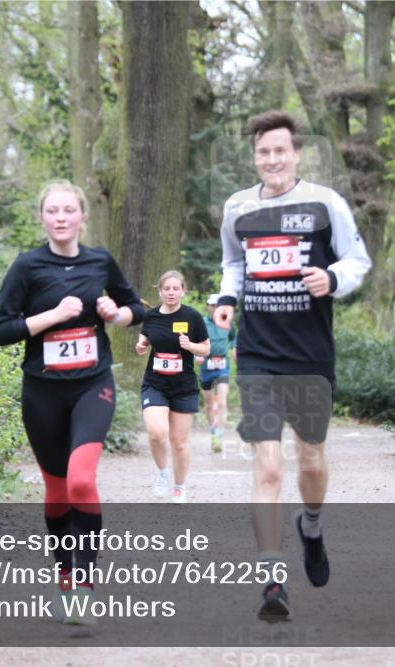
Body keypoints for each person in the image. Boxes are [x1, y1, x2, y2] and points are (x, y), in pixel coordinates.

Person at [213, 111, 371, 621]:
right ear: (254, 157)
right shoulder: (238, 206)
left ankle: (313, 525)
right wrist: (226, 299)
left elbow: (357, 260)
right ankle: (271, 581)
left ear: (297, 153)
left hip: (309, 355)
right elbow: (233, 262)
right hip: (258, 355)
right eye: (263, 152)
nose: (272, 160)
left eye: (281, 151)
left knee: (311, 462)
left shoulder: (325, 203)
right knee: (269, 464)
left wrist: (332, 277)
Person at [0, 179, 144, 625]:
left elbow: (138, 308)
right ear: (42, 217)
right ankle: (65, 577)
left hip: (92, 386)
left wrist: (119, 314)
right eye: (52, 211)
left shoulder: (100, 261)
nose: (60, 218)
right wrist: (53, 317)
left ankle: (85, 584)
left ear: (82, 216)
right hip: (42, 392)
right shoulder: (27, 266)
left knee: (79, 482)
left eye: (68, 210)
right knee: (57, 489)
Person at [135, 271, 210, 504]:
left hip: (184, 386)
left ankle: (179, 486)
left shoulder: (193, 317)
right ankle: (162, 472)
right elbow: (145, 339)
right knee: (157, 432)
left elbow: (206, 349)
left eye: (175, 288)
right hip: (155, 383)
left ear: (183, 291)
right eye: (167, 289)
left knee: (179, 441)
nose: (171, 292)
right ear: (160, 291)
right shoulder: (151, 316)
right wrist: (141, 345)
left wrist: (191, 345)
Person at [195, 293, 237, 453]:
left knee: (222, 402)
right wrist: (196, 355)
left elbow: (234, 338)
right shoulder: (201, 323)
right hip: (206, 367)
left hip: (222, 366)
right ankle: (213, 432)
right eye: (212, 305)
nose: (214, 308)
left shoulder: (227, 322)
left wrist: (235, 349)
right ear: (207, 306)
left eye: (217, 305)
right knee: (208, 404)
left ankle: (219, 434)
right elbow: (193, 342)